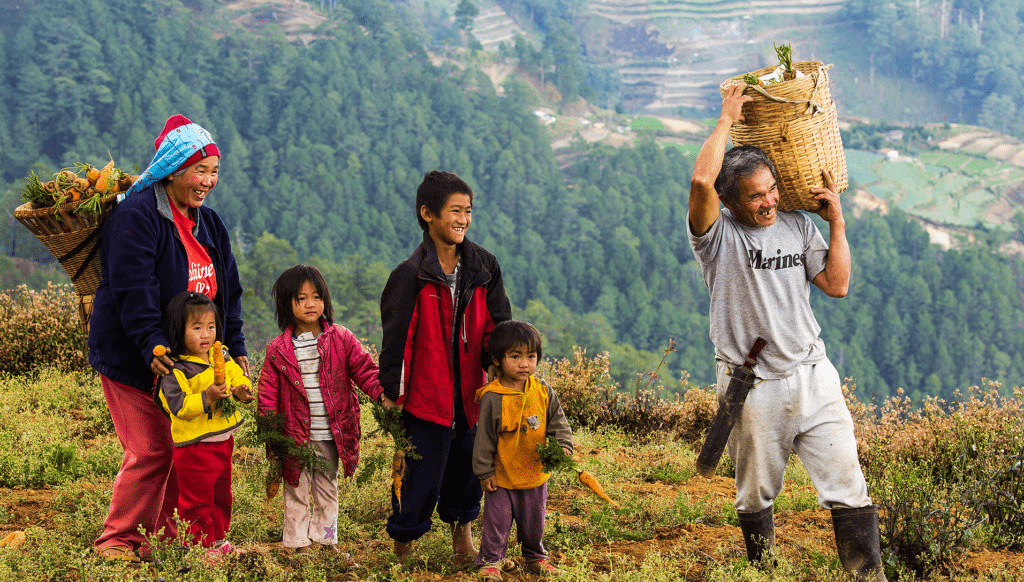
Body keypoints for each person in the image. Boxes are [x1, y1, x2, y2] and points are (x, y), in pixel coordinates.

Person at [687, 85, 885, 581]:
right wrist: (727, 118)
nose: (769, 201)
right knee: (755, 492)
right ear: (729, 201)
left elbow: (837, 285)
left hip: (812, 371)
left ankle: (868, 575)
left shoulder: (797, 225)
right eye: (756, 196)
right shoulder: (717, 236)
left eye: (772, 189)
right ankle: (763, 572)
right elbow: (699, 181)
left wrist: (836, 221)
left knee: (849, 483)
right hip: (752, 384)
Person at [89, 114, 248, 562]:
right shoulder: (136, 217)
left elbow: (228, 295)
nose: (209, 181)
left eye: (215, 171)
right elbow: (134, 290)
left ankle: (163, 541)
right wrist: (153, 345)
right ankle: (117, 540)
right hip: (133, 354)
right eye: (201, 170)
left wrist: (235, 349)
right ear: (174, 171)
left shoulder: (208, 224)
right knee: (153, 449)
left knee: (185, 441)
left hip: (188, 360)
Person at [379, 170, 512, 564]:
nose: (463, 219)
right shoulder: (410, 275)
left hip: (472, 395)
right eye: (455, 210)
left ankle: (462, 540)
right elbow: (397, 341)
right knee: (419, 476)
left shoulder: (484, 267)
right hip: (426, 397)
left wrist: (502, 373)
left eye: (468, 211)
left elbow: (498, 325)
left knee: (470, 470)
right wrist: (393, 393)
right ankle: (403, 544)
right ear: (427, 214)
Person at [257, 264, 385, 559]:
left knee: (327, 488)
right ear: (286, 305)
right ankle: (298, 542)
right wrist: (270, 433)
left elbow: (365, 371)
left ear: (325, 300)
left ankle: (326, 541)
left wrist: (382, 395)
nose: (310, 304)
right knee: (296, 489)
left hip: (331, 433)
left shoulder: (341, 338)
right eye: (301, 298)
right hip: (294, 437)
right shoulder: (279, 349)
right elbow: (267, 395)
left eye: (316, 296)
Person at [472, 320, 572, 581]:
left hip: (534, 473)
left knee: (533, 523)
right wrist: (484, 472)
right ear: (498, 358)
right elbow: (484, 439)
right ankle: (491, 562)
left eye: (531, 356)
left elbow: (559, 423)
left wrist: (563, 447)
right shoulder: (493, 397)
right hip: (502, 475)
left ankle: (535, 557)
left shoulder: (543, 391)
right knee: (497, 523)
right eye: (515, 357)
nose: (524, 364)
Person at [155, 291, 253, 555]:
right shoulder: (175, 370)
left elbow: (235, 375)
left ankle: (218, 540)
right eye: (197, 328)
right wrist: (207, 397)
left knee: (221, 496)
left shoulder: (219, 354)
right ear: (179, 330)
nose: (206, 335)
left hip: (223, 441)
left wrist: (243, 388)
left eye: (210, 327)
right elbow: (179, 407)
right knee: (196, 501)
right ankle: (198, 548)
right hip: (194, 448)